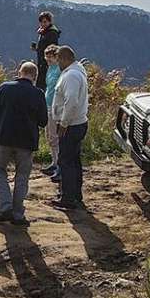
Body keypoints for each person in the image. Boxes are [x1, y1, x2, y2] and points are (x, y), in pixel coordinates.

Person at [0, 62, 48, 226]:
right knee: (22, 177)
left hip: (4, 138)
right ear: (34, 77)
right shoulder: (38, 94)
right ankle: (17, 214)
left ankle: (5, 207)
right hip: (26, 141)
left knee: (0, 171)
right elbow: (43, 121)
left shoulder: (4, 88)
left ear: (19, 72)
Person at [49, 45, 89, 210]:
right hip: (78, 123)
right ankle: (75, 195)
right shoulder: (77, 71)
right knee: (74, 160)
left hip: (71, 125)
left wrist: (64, 123)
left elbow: (71, 101)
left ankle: (68, 198)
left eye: (59, 60)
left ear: (65, 59)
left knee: (66, 161)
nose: (57, 64)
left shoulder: (71, 75)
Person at [40, 45, 62, 180]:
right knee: (49, 135)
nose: (47, 60)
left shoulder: (60, 70)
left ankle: (59, 165)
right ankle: (54, 162)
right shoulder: (50, 68)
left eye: (50, 58)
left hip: (55, 106)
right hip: (48, 103)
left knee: (54, 136)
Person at [31, 11, 61, 90]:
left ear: (50, 22)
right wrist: (37, 49)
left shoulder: (52, 33)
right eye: (41, 22)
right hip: (42, 63)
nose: (42, 24)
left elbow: (52, 49)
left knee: (42, 86)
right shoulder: (43, 33)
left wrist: (49, 62)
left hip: (46, 64)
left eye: (45, 22)